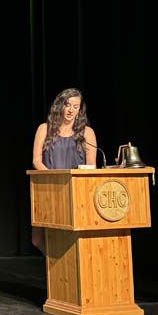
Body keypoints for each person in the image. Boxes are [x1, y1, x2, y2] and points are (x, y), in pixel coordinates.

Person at [31, 89, 98, 250]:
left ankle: (66, 265)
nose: (71, 110)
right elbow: (36, 161)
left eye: (75, 106)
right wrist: (55, 178)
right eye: (67, 105)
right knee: (37, 239)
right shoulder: (44, 129)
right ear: (59, 105)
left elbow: (91, 166)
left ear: (79, 110)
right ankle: (54, 264)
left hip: (77, 192)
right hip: (49, 189)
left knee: (69, 237)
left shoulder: (87, 133)